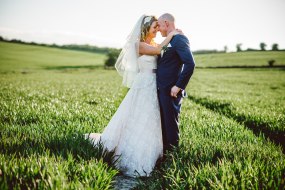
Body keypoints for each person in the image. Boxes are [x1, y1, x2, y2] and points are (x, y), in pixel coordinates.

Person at [85, 14, 181, 177]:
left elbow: (161, 51)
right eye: (155, 27)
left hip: (154, 85)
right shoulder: (139, 45)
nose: (158, 29)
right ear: (146, 28)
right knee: (137, 116)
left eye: (158, 26)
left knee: (150, 119)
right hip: (144, 84)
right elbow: (158, 50)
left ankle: (151, 153)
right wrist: (172, 34)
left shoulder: (153, 43)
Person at [156, 13, 195, 153]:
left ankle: (172, 157)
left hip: (170, 90)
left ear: (166, 23)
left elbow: (190, 64)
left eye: (159, 25)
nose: (158, 29)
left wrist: (178, 86)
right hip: (160, 89)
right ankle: (163, 154)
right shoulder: (169, 40)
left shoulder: (180, 39)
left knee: (170, 125)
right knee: (163, 124)